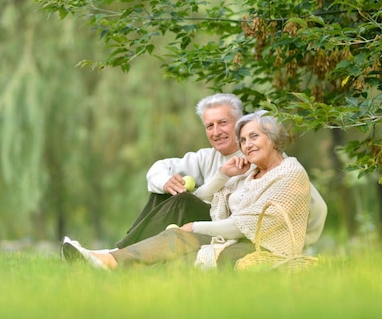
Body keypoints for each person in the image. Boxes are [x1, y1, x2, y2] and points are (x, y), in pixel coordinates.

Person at [63, 110, 314, 270]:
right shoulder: (249, 172)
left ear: (273, 137)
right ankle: (110, 260)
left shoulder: (288, 173)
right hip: (230, 234)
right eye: (244, 140)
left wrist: (194, 227)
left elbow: (241, 225)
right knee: (178, 226)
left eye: (254, 137)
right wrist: (224, 175)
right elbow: (201, 201)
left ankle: (112, 260)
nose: (247, 145)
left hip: (262, 247)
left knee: (201, 254)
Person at [113, 93, 327, 250]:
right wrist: (167, 181)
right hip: (217, 223)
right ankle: (122, 249)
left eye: (223, 123)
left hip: (237, 232)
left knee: (183, 201)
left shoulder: (270, 162)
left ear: (238, 123)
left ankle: (119, 253)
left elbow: (316, 207)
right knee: (165, 192)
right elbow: (158, 169)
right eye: (209, 126)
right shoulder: (205, 157)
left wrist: (298, 245)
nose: (216, 132)